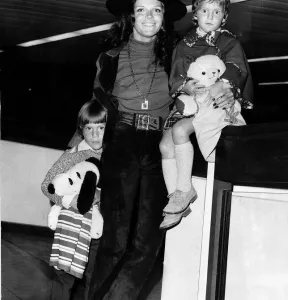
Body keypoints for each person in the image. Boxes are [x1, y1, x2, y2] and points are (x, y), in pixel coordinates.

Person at [85, 1, 188, 299]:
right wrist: (75, 151)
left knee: (148, 243)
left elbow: (202, 84)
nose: (149, 16)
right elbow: (94, 107)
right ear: (131, 15)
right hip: (123, 140)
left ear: (164, 17)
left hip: (161, 145)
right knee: (114, 241)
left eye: (156, 10)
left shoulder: (177, 58)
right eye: (142, 9)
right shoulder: (111, 57)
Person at [159, 0, 253, 229]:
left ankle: (184, 190)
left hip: (214, 103)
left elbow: (237, 68)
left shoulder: (229, 42)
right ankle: (176, 196)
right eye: (204, 10)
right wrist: (186, 86)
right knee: (164, 145)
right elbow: (177, 76)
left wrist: (224, 85)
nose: (210, 16)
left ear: (224, 16)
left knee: (180, 130)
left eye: (216, 11)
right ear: (195, 15)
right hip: (190, 101)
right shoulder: (184, 44)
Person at [41, 99, 107, 300]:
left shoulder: (113, 155)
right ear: (81, 129)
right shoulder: (73, 154)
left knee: (95, 278)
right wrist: (70, 201)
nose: (96, 134)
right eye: (90, 128)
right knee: (63, 277)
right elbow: (47, 186)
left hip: (97, 229)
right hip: (71, 226)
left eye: (101, 127)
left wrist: (99, 198)